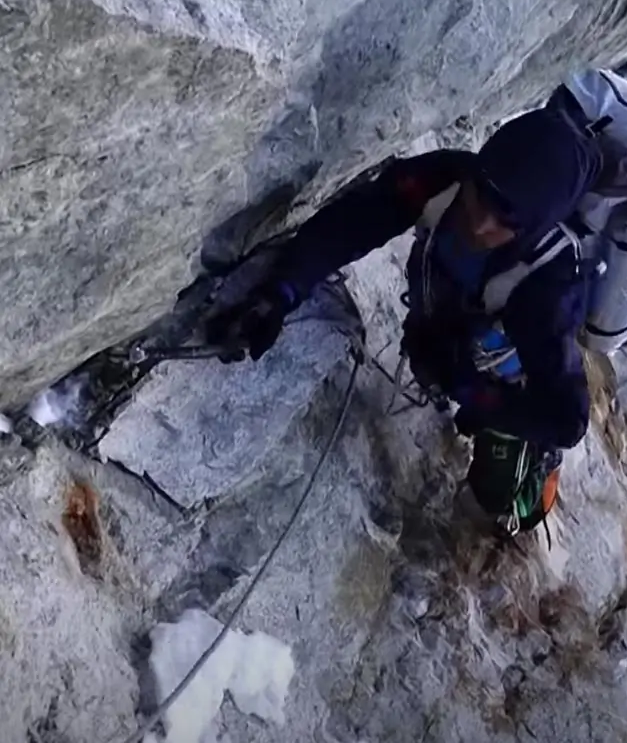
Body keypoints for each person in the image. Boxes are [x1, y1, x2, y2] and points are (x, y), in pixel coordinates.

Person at [205, 107, 604, 536]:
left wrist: (474, 394)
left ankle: (534, 471)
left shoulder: (548, 288)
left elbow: (566, 418)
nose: (481, 222)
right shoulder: (448, 178)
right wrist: (280, 292)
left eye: (507, 219)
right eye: (482, 194)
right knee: (435, 354)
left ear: (534, 226)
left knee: (500, 494)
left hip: (507, 369)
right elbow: (354, 223)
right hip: (447, 321)